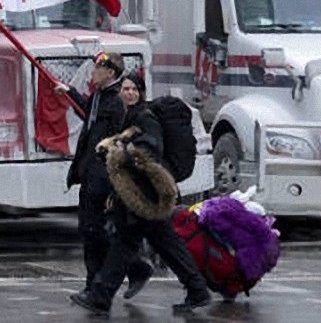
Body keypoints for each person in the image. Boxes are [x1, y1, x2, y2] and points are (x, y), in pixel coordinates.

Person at [70, 73, 211, 315]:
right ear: (120, 92)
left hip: (145, 193)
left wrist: (119, 154)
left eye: (135, 89)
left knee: (125, 242)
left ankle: (101, 297)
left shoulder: (146, 119)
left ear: (141, 92)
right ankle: (198, 290)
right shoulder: (127, 117)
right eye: (126, 89)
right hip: (139, 192)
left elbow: (149, 152)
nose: (130, 93)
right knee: (166, 243)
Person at [55, 53, 153, 300]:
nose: (93, 72)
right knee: (89, 230)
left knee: (95, 230)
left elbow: (118, 146)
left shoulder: (116, 103)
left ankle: (128, 270)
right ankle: (96, 283)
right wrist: (69, 92)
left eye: (98, 68)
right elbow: (88, 114)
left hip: (103, 178)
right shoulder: (100, 96)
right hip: (90, 175)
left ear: (110, 72)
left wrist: (114, 187)